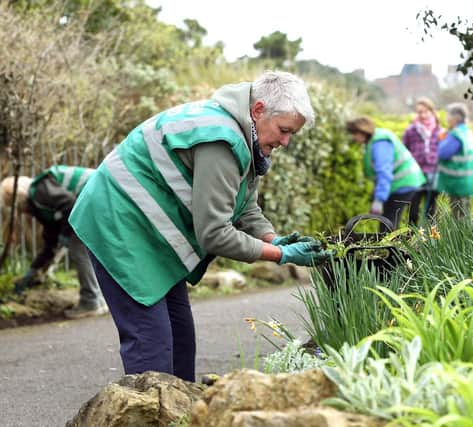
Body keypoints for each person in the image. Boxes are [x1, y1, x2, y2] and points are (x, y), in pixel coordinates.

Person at [68, 71, 332, 382]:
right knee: (151, 341)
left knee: (180, 338)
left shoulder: (245, 136)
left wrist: (274, 238)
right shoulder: (220, 139)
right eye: (284, 130)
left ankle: (179, 411)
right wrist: (279, 255)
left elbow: (245, 206)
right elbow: (216, 234)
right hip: (118, 222)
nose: (286, 142)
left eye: (292, 134)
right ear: (258, 110)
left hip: (146, 229)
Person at [0, 166, 108, 318]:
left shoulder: (39, 190)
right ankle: (99, 300)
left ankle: (90, 301)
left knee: (78, 250)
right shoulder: (41, 203)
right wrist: (33, 271)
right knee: (85, 250)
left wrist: (65, 234)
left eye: (15, 206)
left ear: (17, 197)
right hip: (97, 196)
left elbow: (70, 205)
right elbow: (50, 242)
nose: (20, 212)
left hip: (99, 191)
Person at [346, 116, 426, 229]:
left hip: (404, 183)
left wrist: (379, 199)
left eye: (354, 134)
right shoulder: (375, 139)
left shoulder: (380, 143)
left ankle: (390, 246)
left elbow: (384, 172)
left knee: (388, 224)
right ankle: (394, 244)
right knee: (391, 221)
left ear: (362, 132)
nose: (353, 138)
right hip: (406, 182)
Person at [402, 98, 443, 224]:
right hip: (416, 175)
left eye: (426, 112)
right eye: (420, 112)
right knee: (413, 211)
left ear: (432, 112)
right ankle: (411, 239)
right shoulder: (410, 131)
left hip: (434, 174)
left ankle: (430, 241)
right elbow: (404, 151)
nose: (423, 115)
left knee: (431, 211)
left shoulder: (440, 131)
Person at [436, 103, 473, 219]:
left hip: (458, 184)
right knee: (465, 215)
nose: (447, 119)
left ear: (455, 118)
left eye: (448, 116)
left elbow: (442, 153)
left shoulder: (456, 135)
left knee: (460, 218)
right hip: (466, 182)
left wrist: (441, 140)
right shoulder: (466, 132)